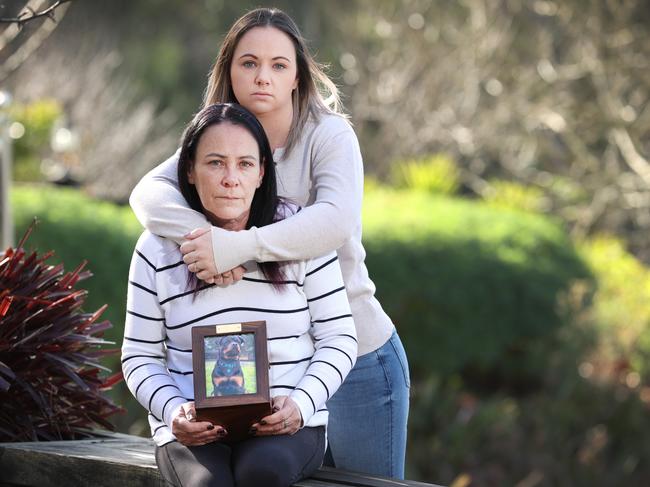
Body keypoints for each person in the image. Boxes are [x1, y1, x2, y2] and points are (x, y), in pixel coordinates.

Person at [129, 7, 410, 479]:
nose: (263, 77)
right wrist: (210, 242)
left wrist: (239, 248)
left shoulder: (328, 134)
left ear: (299, 75)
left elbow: (333, 222)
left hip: (355, 354)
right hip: (269, 371)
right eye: (249, 63)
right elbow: (149, 196)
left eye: (279, 65)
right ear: (228, 70)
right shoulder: (221, 136)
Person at [122, 103, 357, 487]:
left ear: (263, 172)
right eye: (215, 163)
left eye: (245, 164)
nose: (231, 178)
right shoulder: (155, 250)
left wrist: (301, 404)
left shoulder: (298, 234)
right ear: (189, 172)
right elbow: (139, 356)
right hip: (191, 428)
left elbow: (340, 337)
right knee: (206, 484)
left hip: (287, 425)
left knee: (261, 473)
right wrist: (172, 411)